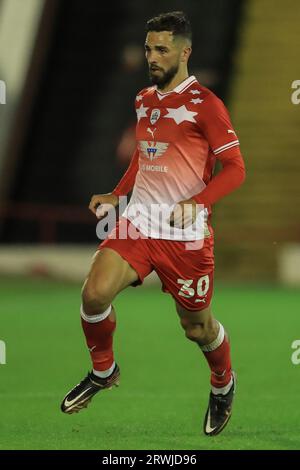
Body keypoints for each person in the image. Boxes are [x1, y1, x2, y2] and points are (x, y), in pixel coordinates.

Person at [61, 11, 245, 437]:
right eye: (148, 48)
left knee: (197, 328)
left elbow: (235, 169)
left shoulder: (207, 105)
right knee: (94, 294)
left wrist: (197, 202)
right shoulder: (144, 99)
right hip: (139, 222)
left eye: (162, 49)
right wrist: (117, 193)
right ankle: (104, 371)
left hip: (185, 236)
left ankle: (223, 383)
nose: (152, 56)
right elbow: (145, 157)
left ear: (185, 52)